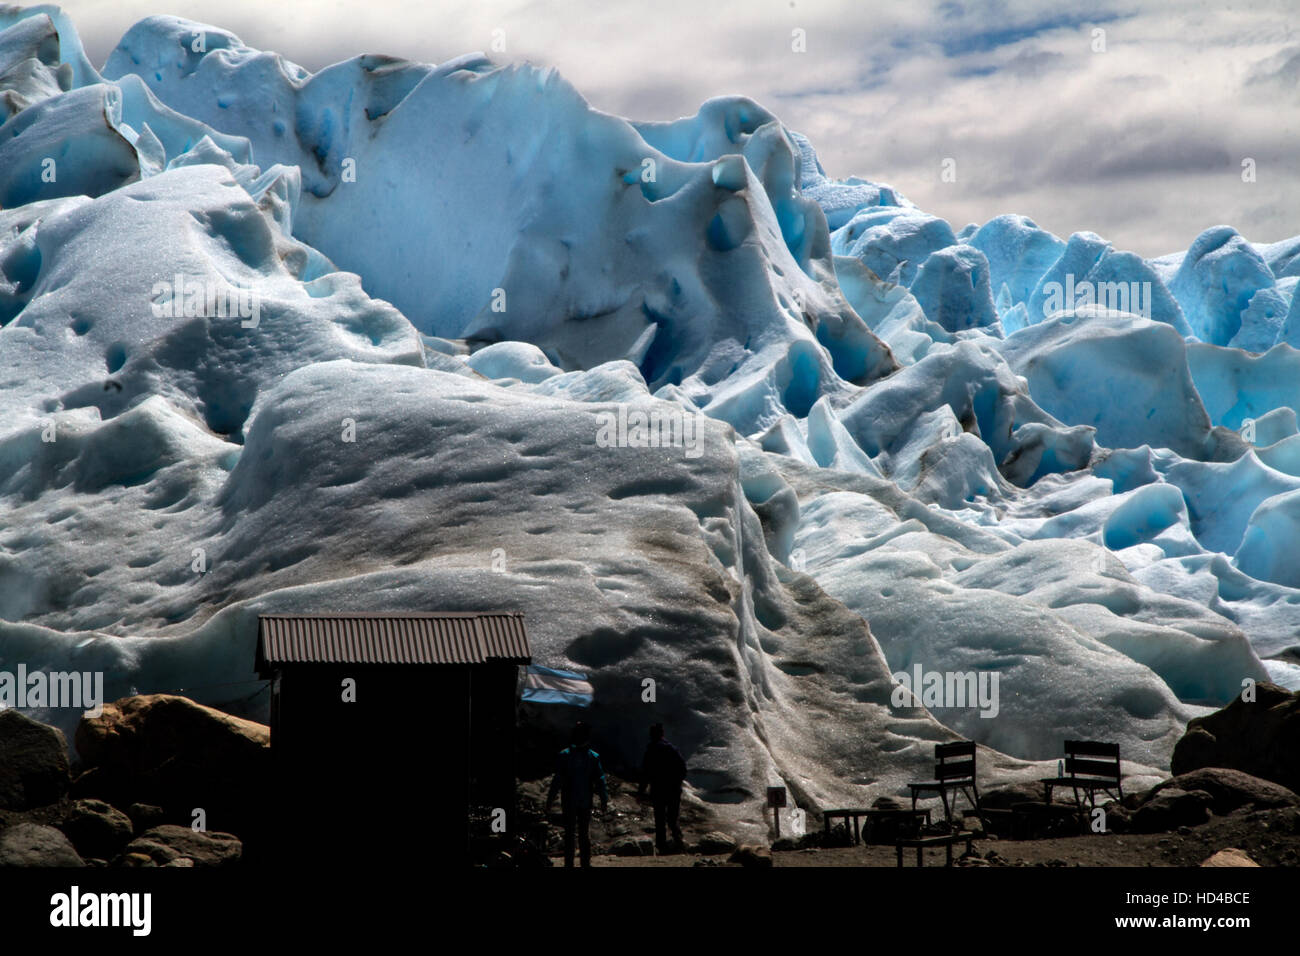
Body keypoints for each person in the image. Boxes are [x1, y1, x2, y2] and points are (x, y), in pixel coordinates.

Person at [546, 721, 608, 867]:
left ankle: (569, 863)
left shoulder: (564, 756)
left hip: (569, 801)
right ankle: (585, 863)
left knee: (569, 834)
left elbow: (557, 780)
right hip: (585, 801)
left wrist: (550, 799)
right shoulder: (593, 757)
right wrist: (604, 799)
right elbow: (600, 780)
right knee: (584, 833)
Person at [638, 723, 687, 852]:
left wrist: (641, 791)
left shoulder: (651, 750)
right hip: (673, 790)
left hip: (658, 790)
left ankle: (662, 846)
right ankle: (679, 842)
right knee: (672, 819)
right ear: (662, 734)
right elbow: (683, 769)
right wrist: (676, 783)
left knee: (659, 820)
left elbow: (645, 773)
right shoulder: (671, 749)